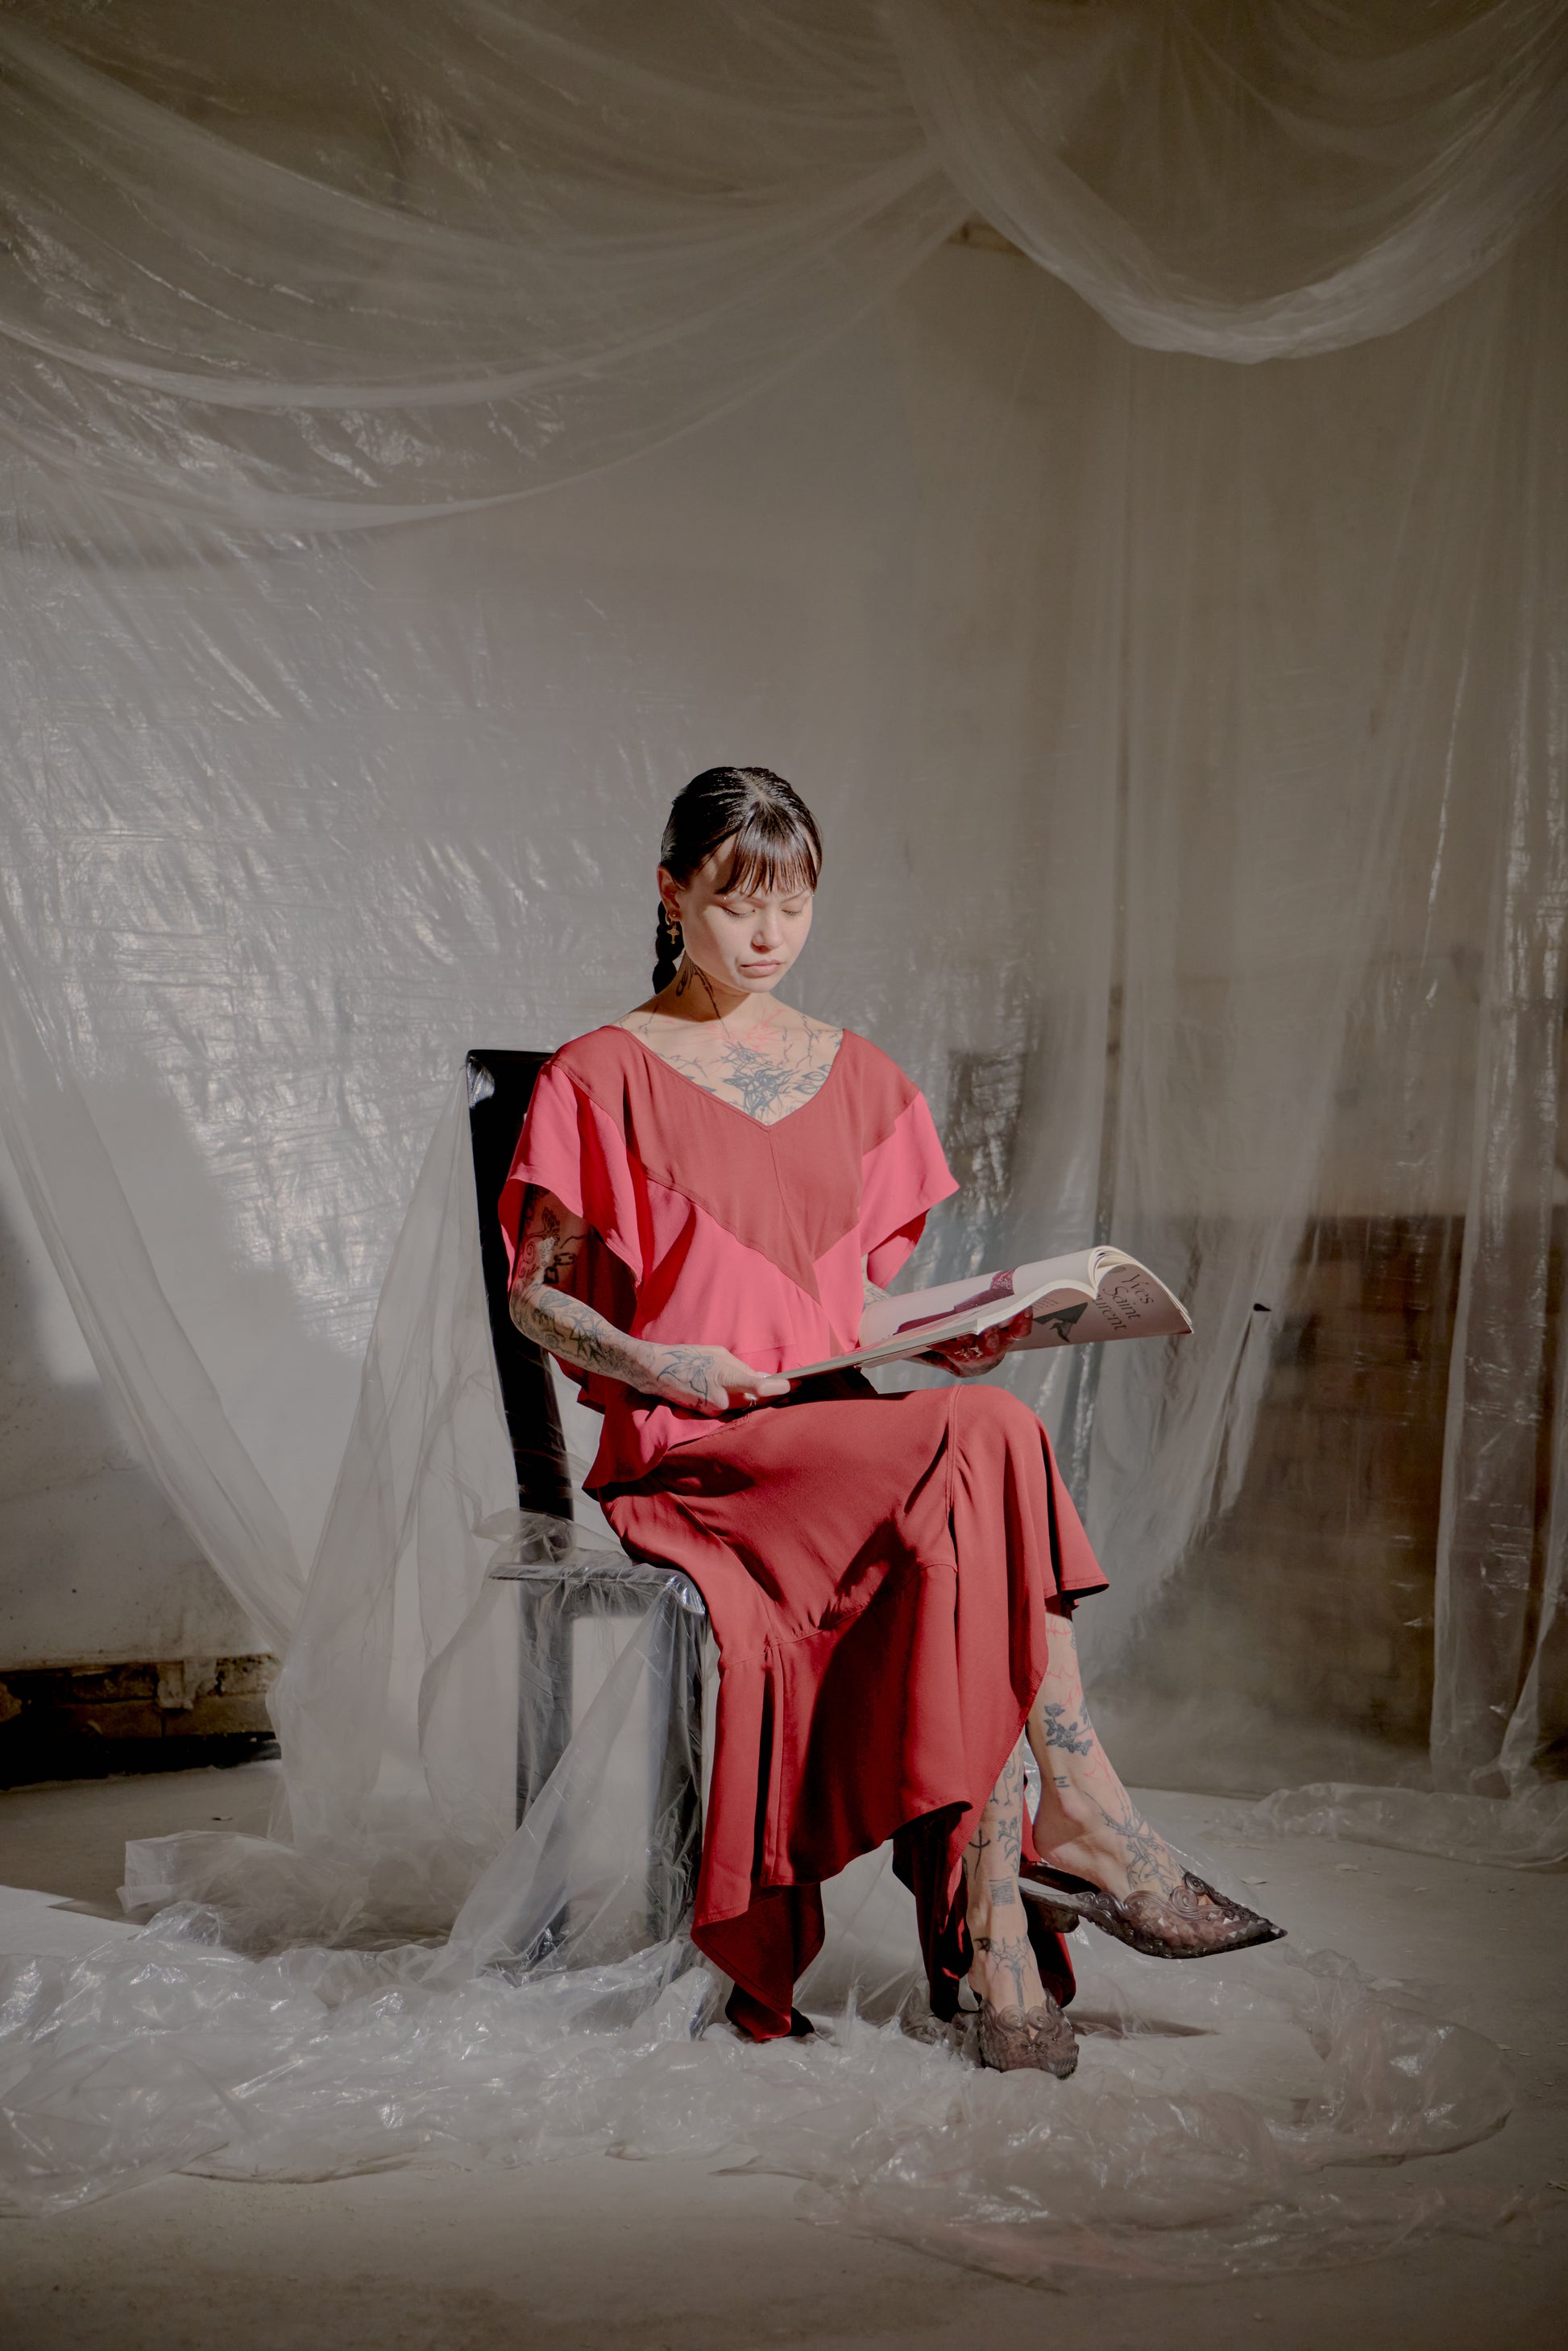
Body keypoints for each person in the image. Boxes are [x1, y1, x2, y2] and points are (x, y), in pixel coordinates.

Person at [499, 766, 1281, 2077]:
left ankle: (1001, 1913)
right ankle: (1060, 1842)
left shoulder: (851, 1072)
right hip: (700, 1452)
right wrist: (659, 1359)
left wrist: (946, 1329)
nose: (768, 933)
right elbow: (534, 1297)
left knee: (978, 1438)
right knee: (989, 1444)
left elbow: (843, 1309)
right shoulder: (599, 1072)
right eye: (737, 902)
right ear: (670, 892)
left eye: (793, 904)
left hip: (839, 1431)